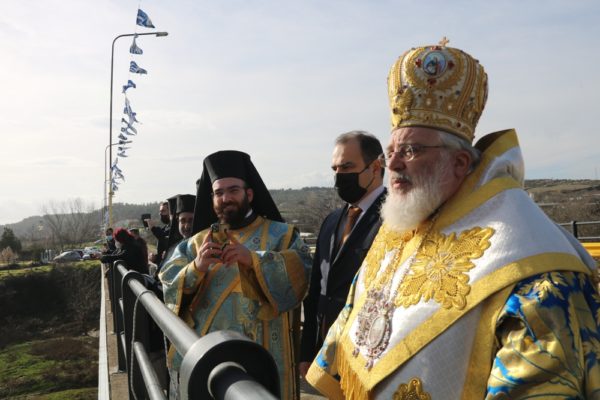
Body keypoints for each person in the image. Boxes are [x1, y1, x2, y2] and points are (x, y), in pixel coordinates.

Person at [306, 41, 600, 399]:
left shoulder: (530, 262)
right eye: (392, 150)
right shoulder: (401, 229)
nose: (394, 164)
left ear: (459, 163)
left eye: (411, 150)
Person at [159, 150, 312, 400]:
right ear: (212, 198)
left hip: (263, 351)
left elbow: (301, 272)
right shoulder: (196, 243)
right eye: (219, 193)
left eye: (233, 190)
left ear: (248, 194)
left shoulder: (282, 235)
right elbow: (167, 285)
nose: (225, 198)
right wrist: (197, 267)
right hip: (210, 355)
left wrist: (254, 260)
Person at [299, 131, 386, 379]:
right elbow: (317, 289)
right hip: (328, 354)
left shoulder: (395, 218)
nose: (339, 176)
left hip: (369, 356)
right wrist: (308, 351)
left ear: (376, 167)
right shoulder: (332, 221)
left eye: (347, 167)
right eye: (335, 169)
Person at [146, 201, 171, 266]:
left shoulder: (176, 228)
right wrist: (155, 258)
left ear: (170, 212)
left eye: (163, 211)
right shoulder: (165, 228)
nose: (160, 214)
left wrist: (153, 228)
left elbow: (166, 240)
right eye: (160, 211)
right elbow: (162, 254)